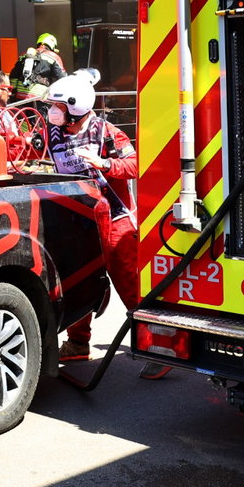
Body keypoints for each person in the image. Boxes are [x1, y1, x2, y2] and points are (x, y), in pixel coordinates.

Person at [42, 73, 168, 378]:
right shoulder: (52, 132)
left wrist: (104, 164)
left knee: (129, 283)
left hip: (114, 218)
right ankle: (77, 343)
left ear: (76, 107)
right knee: (76, 281)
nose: (53, 112)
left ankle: (158, 348)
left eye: (59, 107)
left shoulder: (107, 132)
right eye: (52, 106)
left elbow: (136, 165)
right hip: (76, 220)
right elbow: (29, 153)